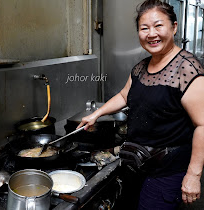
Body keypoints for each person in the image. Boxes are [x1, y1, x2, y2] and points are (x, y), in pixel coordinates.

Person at [77, 0, 204, 209]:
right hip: (136, 165)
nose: (151, 34)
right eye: (144, 28)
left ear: (174, 27)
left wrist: (193, 175)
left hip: (167, 172)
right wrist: (96, 114)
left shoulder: (188, 70)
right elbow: (124, 96)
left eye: (158, 25)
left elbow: (202, 125)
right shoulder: (141, 68)